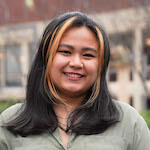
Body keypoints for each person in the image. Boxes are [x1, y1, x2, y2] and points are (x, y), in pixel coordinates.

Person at [0, 12, 150, 150]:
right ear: (46, 58)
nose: (76, 63)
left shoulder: (128, 122)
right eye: (65, 52)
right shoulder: (10, 122)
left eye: (88, 55)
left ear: (100, 65)